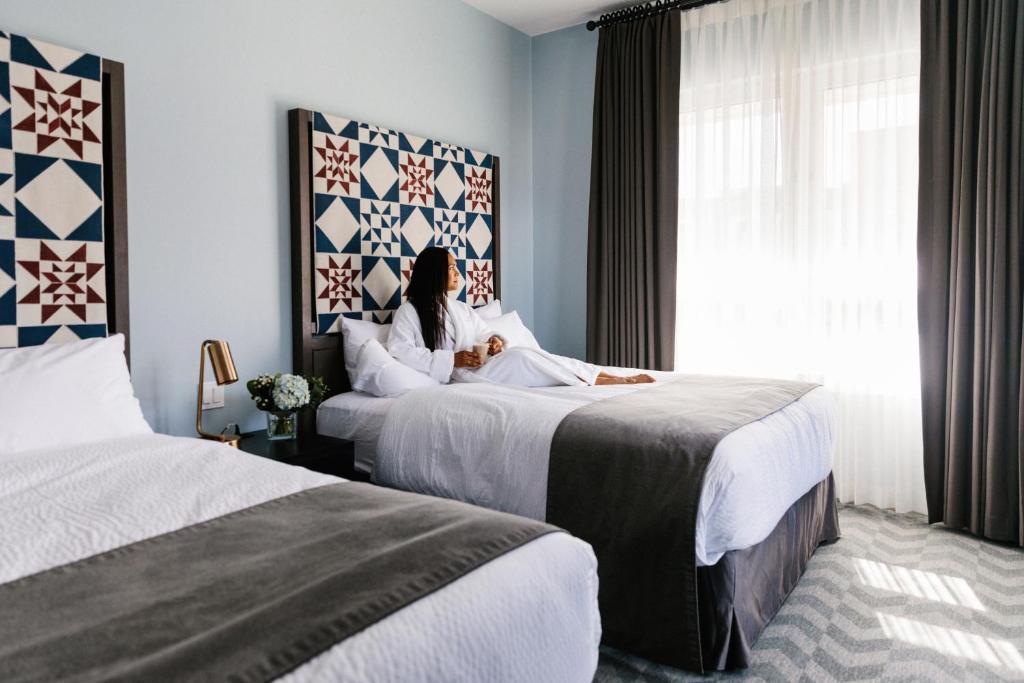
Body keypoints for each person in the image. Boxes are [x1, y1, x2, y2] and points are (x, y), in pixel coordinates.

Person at [387, 247, 654, 386]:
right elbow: (400, 351)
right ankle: (599, 380)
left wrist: (494, 340)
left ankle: (602, 377)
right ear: (435, 273)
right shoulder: (409, 313)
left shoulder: (458, 308)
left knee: (533, 355)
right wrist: (451, 360)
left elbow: (481, 332)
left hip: (485, 365)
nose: (458, 273)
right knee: (524, 356)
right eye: (452, 267)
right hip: (464, 375)